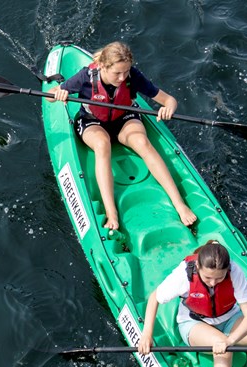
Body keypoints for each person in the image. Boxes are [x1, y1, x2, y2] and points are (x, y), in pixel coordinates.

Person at [48, 41, 196, 230]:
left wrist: (168, 109)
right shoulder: (85, 77)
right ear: (102, 66)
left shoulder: (132, 76)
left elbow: (168, 100)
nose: (122, 77)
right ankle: (111, 213)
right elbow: (50, 95)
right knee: (102, 145)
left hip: (124, 118)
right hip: (93, 121)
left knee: (142, 142)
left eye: (125, 72)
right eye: (117, 73)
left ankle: (179, 204)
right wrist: (57, 94)